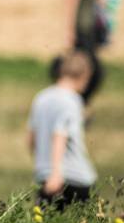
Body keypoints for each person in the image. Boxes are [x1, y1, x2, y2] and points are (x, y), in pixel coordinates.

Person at [28, 50, 97, 209]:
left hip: (44, 176)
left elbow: (31, 138)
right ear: (84, 75)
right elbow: (60, 134)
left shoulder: (41, 97)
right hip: (72, 178)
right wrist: (56, 172)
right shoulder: (71, 101)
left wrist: (43, 164)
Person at [55, 0, 108, 104]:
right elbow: (71, 4)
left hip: (92, 29)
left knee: (90, 70)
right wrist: (70, 32)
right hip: (82, 30)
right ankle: (77, 102)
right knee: (87, 69)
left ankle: (80, 102)